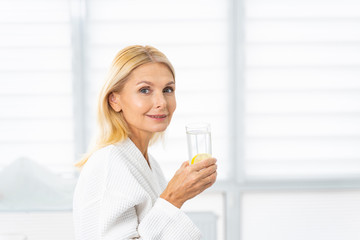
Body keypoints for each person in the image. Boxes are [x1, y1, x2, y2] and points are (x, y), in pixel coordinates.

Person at [73, 45, 218, 240]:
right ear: (114, 100)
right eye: (145, 90)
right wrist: (173, 198)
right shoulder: (108, 163)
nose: (162, 102)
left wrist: (176, 197)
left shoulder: (150, 165)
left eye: (168, 89)